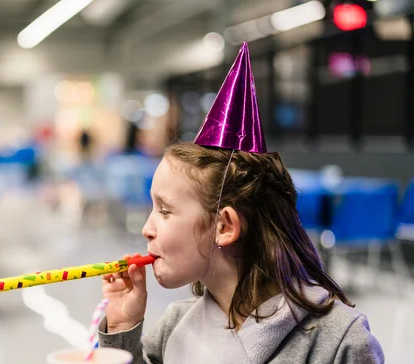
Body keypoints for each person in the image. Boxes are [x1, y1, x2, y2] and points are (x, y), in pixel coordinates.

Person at [98, 43, 384, 364]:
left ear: (225, 226)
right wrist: (122, 328)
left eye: (165, 210)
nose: (147, 227)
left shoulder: (339, 342)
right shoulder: (175, 326)